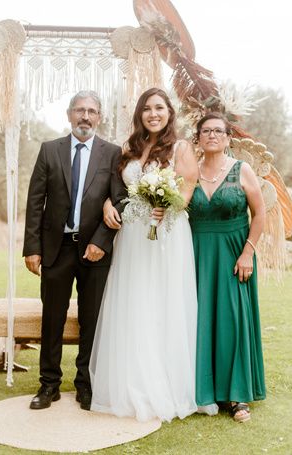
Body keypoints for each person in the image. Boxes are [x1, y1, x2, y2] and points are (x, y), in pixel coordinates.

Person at [89, 87, 198, 422]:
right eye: (147, 109)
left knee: (160, 301)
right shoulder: (129, 148)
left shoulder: (180, 147)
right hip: (132, 235)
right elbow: (116, 189)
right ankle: (129, 381)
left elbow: (187, 189)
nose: (153, 114)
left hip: (165, 232)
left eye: (159, 108)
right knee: (133, 301)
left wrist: (169, 205)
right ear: (140, 114)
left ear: (169, 112)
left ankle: (162, 384)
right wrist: (108, 203)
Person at [23, 90, 127, 411]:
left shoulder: (112, 154)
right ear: (69, 114)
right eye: (80, 110)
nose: (85, 116)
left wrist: (101, 241)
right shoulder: (49, 150)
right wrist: (32, 247)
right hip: (55, 249)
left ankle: (86, 385)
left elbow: (120, 200)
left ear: (100, 117)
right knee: (52, 319)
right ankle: (49, 384)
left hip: (94, 252)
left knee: (91, 320)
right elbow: (35, 202)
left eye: (91, 111)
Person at [188, 112, 266, 422]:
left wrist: (248, 252)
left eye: (218, 131)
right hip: (195, 254)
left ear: (228, 138)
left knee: (233, 320)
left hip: (235, 255)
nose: (212, 135)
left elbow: (259, 214)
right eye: (206, 130)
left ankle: (236, 396)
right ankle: (201, 389)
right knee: (199, 320)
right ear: (198, 137)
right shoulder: (188, 173)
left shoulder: (242, 170)